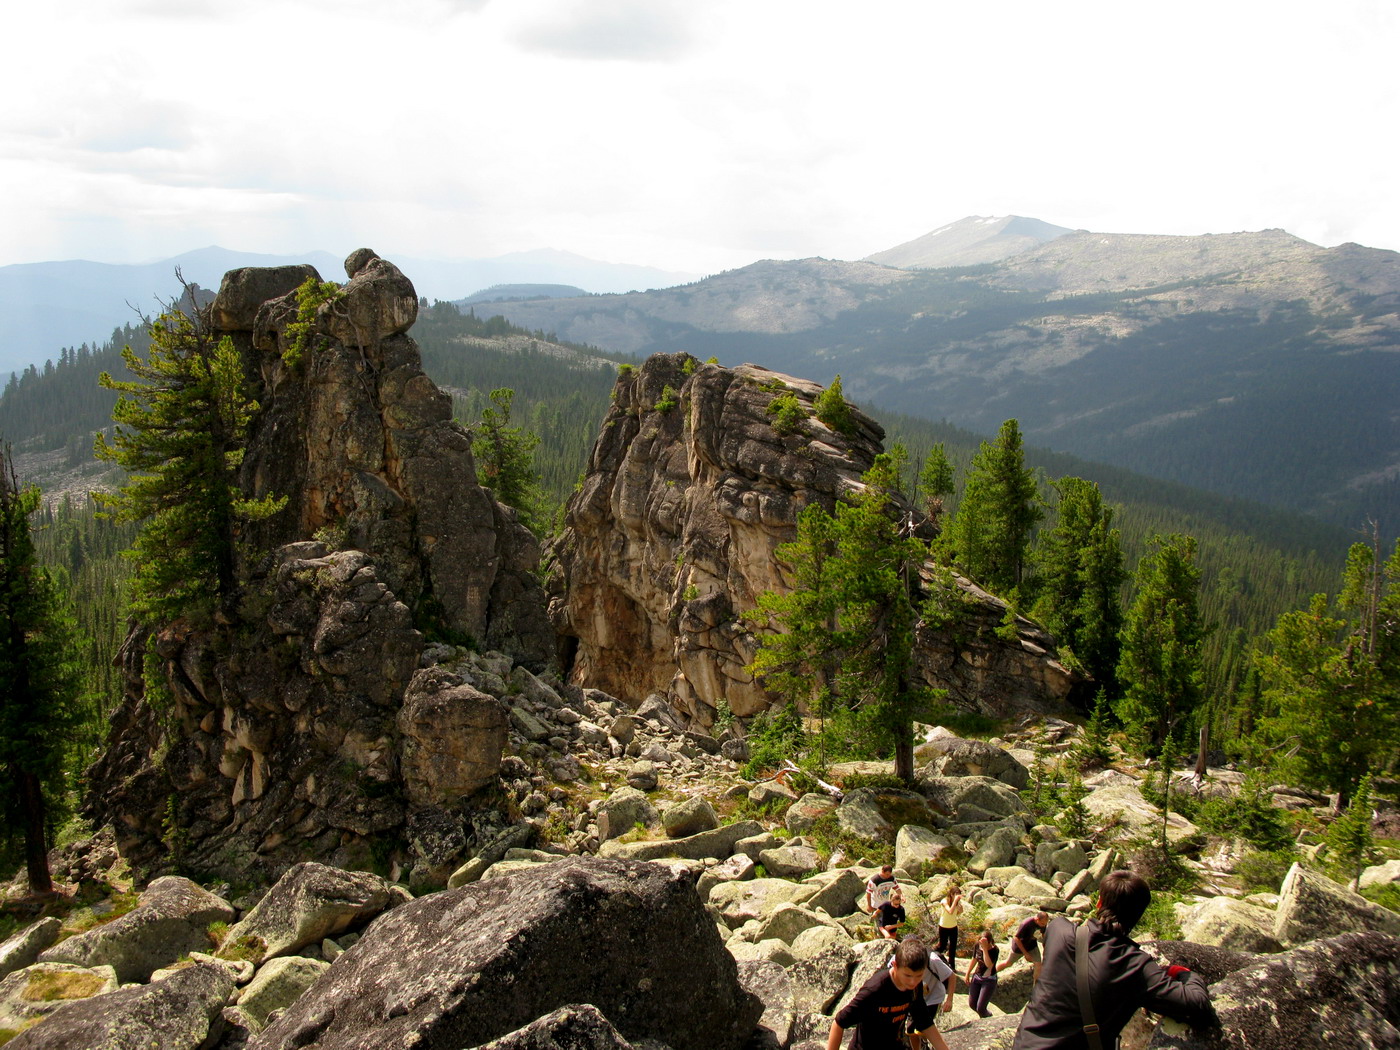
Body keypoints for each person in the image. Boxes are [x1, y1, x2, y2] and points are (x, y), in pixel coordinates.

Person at [1010, 870, 1215, 1049]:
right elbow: (1197, 1006)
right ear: (1138, 915)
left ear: (1099, 901)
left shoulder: (1059, 930)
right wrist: (1183, 973)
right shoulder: (1135, 966)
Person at [829, 939, 946, 1050]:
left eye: (919, 976)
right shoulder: (875, 989)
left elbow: (924, 1021)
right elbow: (839, 1022)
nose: (913, 982)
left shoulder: (915, 987)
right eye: (908, 975)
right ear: (895, 965)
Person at [888, 939, 956, 1050]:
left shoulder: (932, 959)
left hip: (934, 996)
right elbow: (891, 975)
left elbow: (951, 976)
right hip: (915, 997)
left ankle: (927, 1044)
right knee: (910, 1030)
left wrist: (949, 999)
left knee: (921, 1029)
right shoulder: (899, 959)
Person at [1000, 910, 1049, 982]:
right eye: (1042, 923)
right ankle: (992, 972)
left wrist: (1046, 948)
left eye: (1045, 924)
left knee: (1038, 964)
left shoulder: (1043, 924)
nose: (1043, 925)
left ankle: (1036, 987)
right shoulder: (1026, 924)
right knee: (1008, 963)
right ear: (1037, 919)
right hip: (1019, 946)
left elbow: (1043, 934)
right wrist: (1025, 953)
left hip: (1032, 945)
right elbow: (1016, 938)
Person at [965, 927, 999, 1018]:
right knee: (972, 1004)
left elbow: (989, 965)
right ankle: (984, 1017)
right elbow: (975, 959)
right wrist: (968, 973)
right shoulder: (977, 945)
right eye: (980, 943)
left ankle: (987, 1017)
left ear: (990, 942)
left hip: (989, 980)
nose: (981, 945)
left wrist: (984, 949)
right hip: (977, 977)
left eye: (984, 943)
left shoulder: (995, 950)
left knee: (981, 1008)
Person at [936, 882, 963, 963]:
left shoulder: (957, 903)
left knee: (953, 947)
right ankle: (933, 955)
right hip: (944, 926)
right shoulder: (944, 901)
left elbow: (958, 912)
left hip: (953, 927)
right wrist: (955, 902)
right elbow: (950, 911)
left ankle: (952, 964)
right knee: (942, 946)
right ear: (951, 894)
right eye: (956, 894)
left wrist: (959, 906)